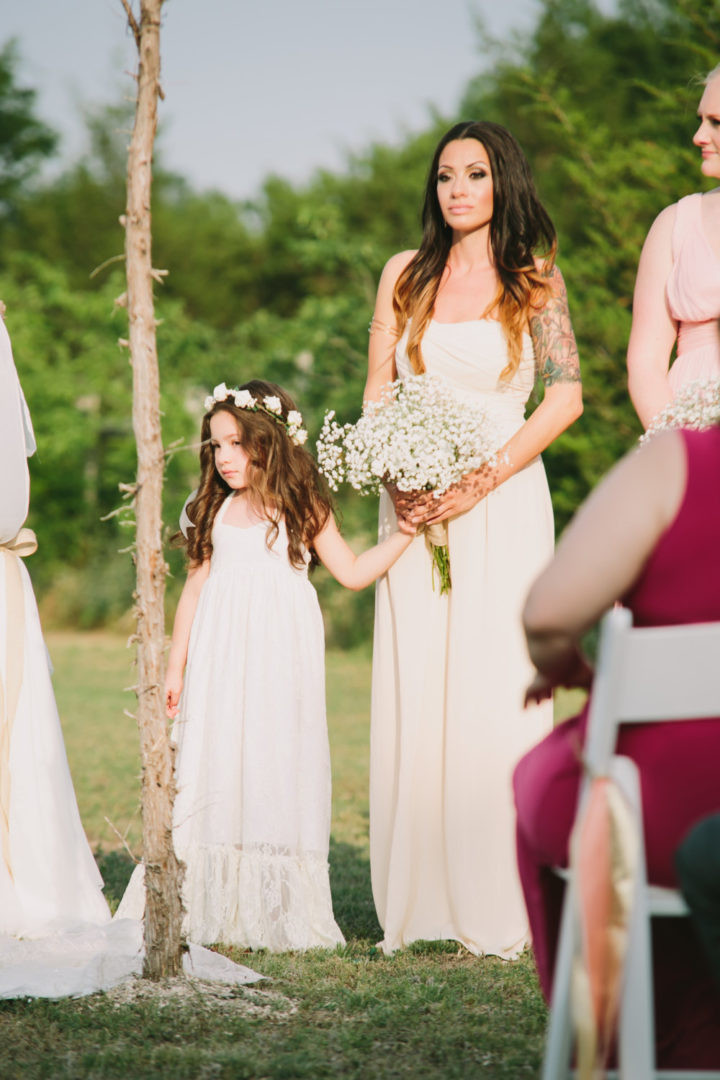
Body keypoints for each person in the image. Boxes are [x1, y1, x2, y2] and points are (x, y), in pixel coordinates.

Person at [364, 120, 583, 956]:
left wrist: (478, 480)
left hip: (501, 497)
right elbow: (377, 393)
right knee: (420, 683)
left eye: (476, 174)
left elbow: (564, 398)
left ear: (503, 184)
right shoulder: (402, 277)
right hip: (415, 502)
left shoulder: (536, 281)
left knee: (496, 681)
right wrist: (401, 482)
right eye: (447, 176)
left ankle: (499, 891)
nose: (459, 189)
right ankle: (419, 897)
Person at [120, 379, 414, 951]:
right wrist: (175, 668)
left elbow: (352, 572)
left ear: (266, 439)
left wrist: (407, 533)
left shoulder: (302, 504)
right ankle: (202, 898)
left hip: (280, 659)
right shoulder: (212, 507)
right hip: (219, 656)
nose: (225, 457)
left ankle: (273, 903)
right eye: (215, 447)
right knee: (215, 758)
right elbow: (195, 588)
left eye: (235, 443)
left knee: (274, 761)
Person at [515, 427, 720, 1067]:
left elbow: (549, 614)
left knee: (548, 787)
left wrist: (566, 665)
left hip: (662, 808)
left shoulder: (681, 462)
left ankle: (631, 1043)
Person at [627, 63, 720, 429]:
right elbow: (645, 364)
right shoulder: (675, 223)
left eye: (716, 122)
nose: (698, 135)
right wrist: (680, 453)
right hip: (690, 432)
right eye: (701, 119)